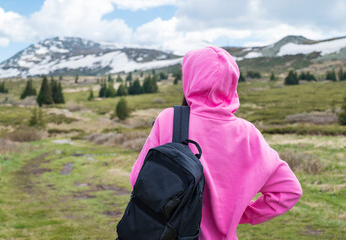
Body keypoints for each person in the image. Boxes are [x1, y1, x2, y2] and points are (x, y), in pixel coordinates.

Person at [129, 46, 302, 240]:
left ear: (190, 78)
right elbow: (289, 190)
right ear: (232, 82)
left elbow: (138, 179)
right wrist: (238, 213)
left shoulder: (170, 119)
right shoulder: (249, 134)